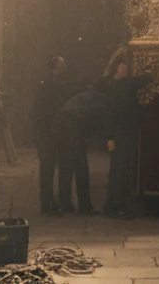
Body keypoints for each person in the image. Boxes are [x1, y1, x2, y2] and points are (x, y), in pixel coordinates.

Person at [101, 47, 152, 219]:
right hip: (122, 133)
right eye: (123, 67)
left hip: (117, 133)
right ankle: (116, 205)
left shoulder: (112, 87)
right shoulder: (124, 85)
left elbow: (107, 114)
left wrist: (109, 137)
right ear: (119, 70)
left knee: (117, 169)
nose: (125, 70)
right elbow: (145, 79)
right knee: (121, 169)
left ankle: (112, 205)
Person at [52, 85, 112, 215]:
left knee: (66, 167)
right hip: (71, 127)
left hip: (62, 124)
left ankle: (66, 204)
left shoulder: (89, 95)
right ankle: (85, 206)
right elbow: (101, 123)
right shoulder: (102, 100)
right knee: (81, 168)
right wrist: (109, 138)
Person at [31, 55, 77, 215]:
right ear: (56, 66)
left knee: (48, 167)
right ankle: (49, 202)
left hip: (45, 130)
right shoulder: (54, 84)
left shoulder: (47, 82)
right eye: (62, 63)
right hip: (49, 131)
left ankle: (48, 201)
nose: (65, 66)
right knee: (49, 166)